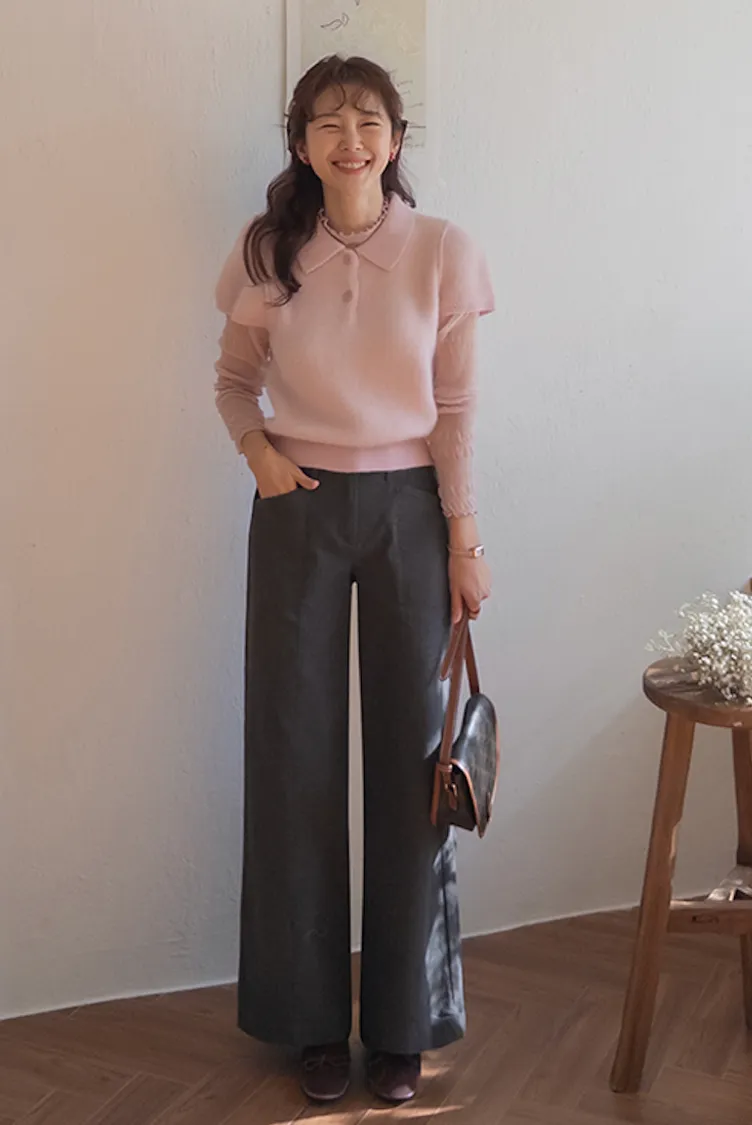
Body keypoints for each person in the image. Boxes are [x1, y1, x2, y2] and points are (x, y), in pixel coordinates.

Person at [212, 53, 495, 1106]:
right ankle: (308, 1023)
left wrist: (463, 537)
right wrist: (260, 453)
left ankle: (406, 1023)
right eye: (327, 122)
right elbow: (232, 381)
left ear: (396, 138)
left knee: (415, 761)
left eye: (368, 120)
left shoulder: (442, 250)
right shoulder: (266, 248)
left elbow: (455, 409)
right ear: (299, 142)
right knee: (292, 754)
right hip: (296, 507)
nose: (350, 138)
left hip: (412, 512)